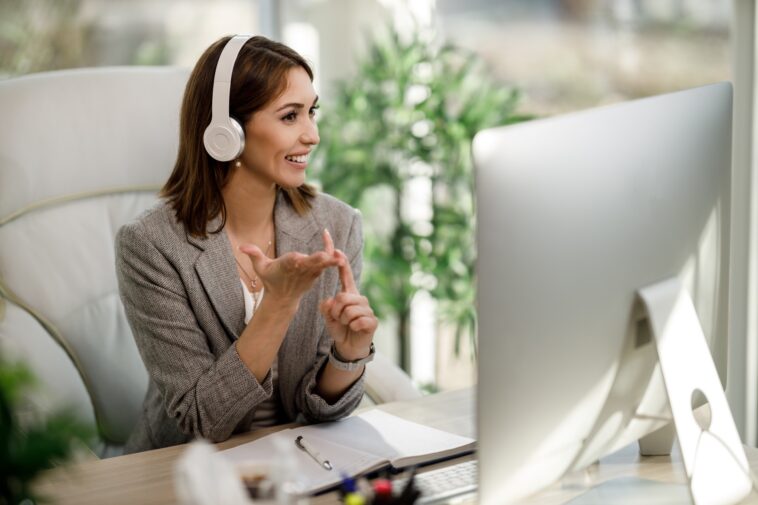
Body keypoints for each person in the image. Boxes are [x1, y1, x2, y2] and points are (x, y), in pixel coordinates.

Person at [115, 35, 378, 454]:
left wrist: (348, 355)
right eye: (290, 116)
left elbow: (320, 411)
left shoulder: (337, 224)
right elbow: (203, 422)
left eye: (312, 112)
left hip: (298, 466)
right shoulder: (151, 246)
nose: (312, 135)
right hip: (184, 470)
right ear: (226, 132)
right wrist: (279, 303)